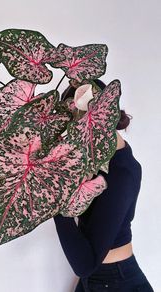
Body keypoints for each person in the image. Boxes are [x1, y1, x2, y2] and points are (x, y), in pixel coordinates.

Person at [53, 79, 154, 291]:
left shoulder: (121, 172)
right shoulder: (95, 159)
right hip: (96, 279)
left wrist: (54, 198)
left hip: (117, 282)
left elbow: (85, 264)